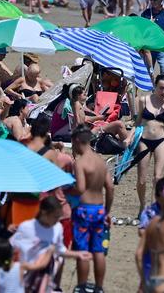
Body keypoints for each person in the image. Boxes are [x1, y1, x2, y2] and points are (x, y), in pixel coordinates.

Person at [10, 196, 92, 291]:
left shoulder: (57, 228)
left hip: (44, 278)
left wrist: (78, 254)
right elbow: (11, 248)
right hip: (25, 275)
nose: (57, 220)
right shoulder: (26, 227)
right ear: (44, 212)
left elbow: (60, 250)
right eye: (55, 217)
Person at [69, 125, 114, 293]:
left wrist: (68, 191)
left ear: (77, 141)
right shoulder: (101, 162)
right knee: (98, 250)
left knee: (83, 251)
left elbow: (80, 188)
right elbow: (110, 187)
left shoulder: (80, 163)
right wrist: (107, 211)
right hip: (99, 209)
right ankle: (99, 287)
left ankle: (81, 286)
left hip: (83, 210)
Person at [134, 75, 164, 212]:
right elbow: (137, 122)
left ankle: (153, 207)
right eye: (161, 88)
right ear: (155, 86)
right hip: (144, 140)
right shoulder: (143, 100)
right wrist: (131, 137)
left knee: (158, 177)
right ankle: (142, 206)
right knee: (141, 179)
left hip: (161, 140)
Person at [141, 0, 164, 76]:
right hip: (149, 47)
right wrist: (149, 24)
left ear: (161, 0)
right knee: (148, 73)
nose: (153, 1)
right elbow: (141, 32)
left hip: (163, 47)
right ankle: (152, 89)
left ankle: (160, 88)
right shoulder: (145, 14)